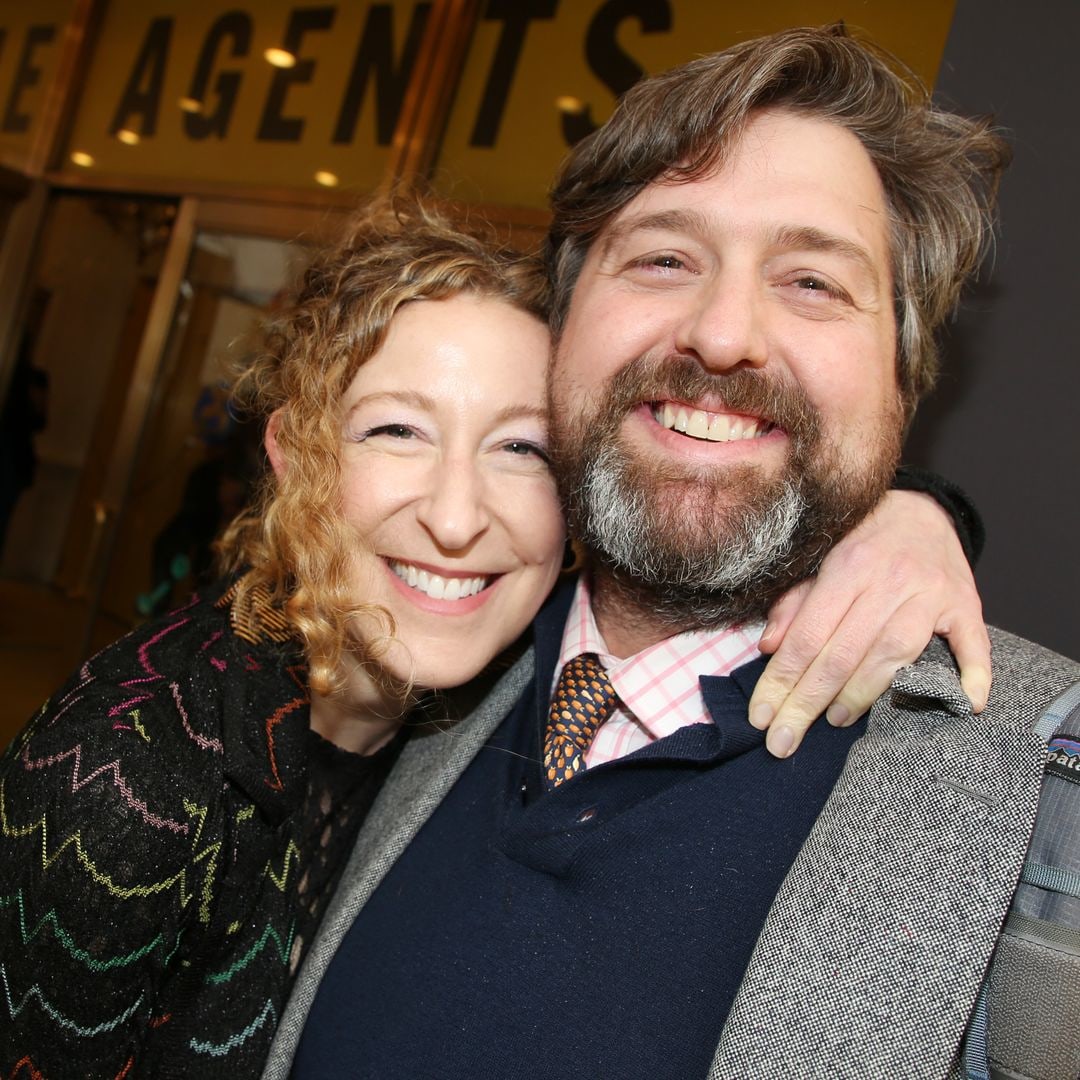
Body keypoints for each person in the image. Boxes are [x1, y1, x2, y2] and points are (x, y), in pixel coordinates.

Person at [0, 198, 985, 1078]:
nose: (459, 517)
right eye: (398, 431)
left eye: (520, 447)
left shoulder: (516, 671)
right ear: (296, 450)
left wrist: (912, 513)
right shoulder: (129, 779)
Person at [264, 25, 1080, 1080]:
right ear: (562, 325)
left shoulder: (1042, 811)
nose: (723, 333)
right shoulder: (428, 648)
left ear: (902, 380)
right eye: (663, 258)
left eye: (813, 282)